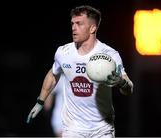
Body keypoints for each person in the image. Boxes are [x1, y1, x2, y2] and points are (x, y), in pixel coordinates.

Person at [27, 5, 133, 138]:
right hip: (73, 129)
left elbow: (128, 88)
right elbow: (53, 75)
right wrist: (40, 101)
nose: (73, 28)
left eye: (79, 24)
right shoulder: (63, 52)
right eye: (72, 23)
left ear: (93, 28)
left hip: (102, 128)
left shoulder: (110, 55)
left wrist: (122, 82)